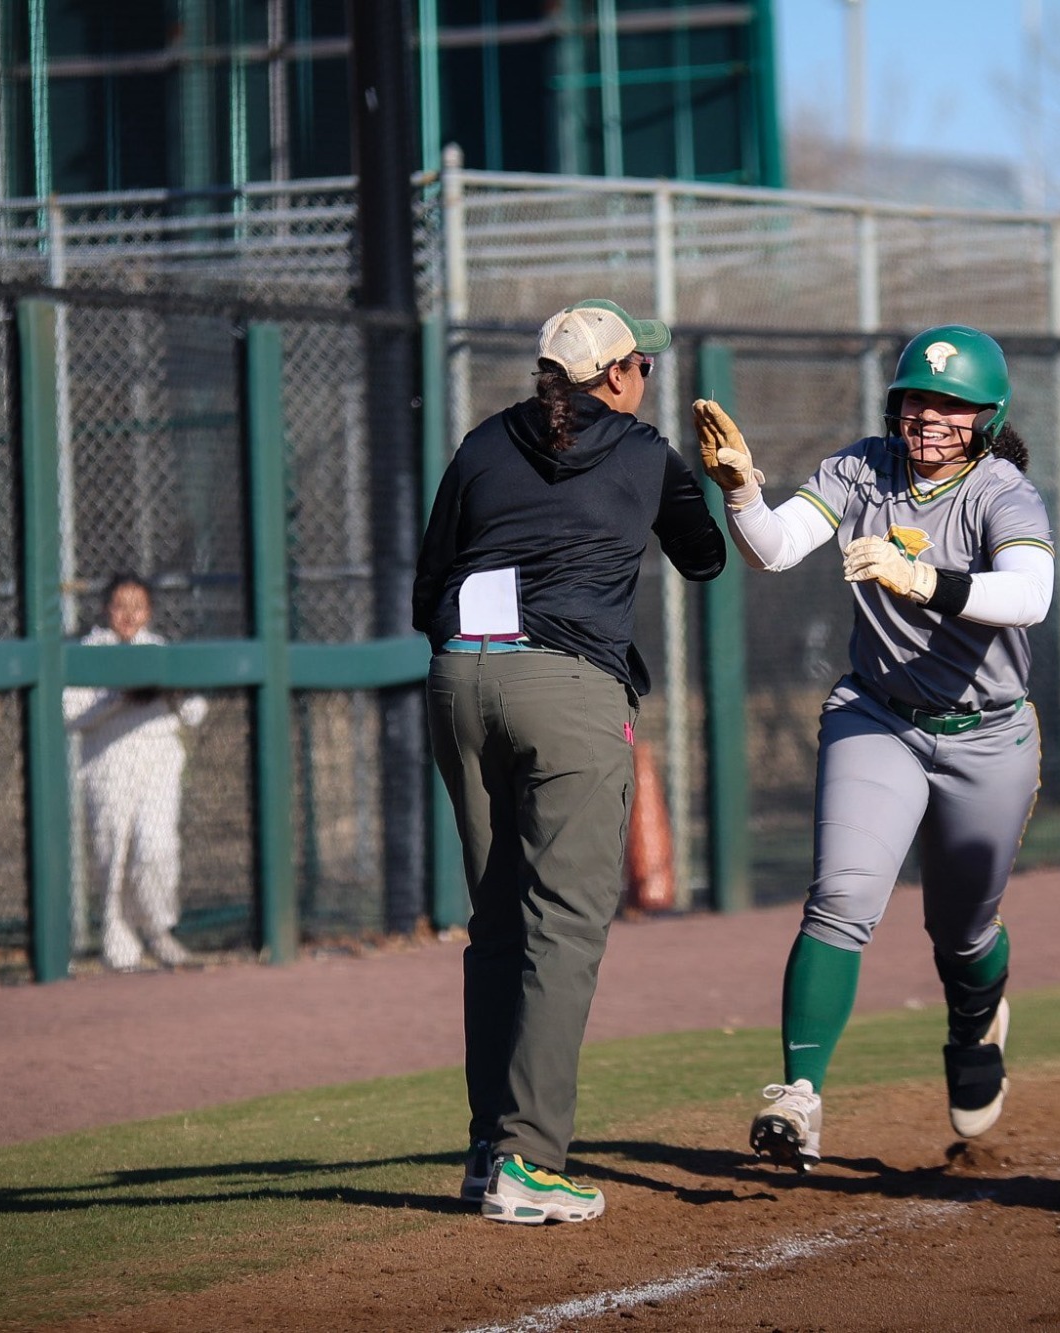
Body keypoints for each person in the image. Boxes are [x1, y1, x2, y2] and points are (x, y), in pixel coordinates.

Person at [692, 325, 1054, 1172]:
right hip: (879, 716)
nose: (931, 418)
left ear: (988, 417)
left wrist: (923, 579)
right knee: (842, 897)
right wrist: (742, 492)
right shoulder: (863, 467)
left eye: (953, 406)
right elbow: (777, 548)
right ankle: (799, 1094)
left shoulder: (1002, 491)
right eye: (918, 400)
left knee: (962, 929)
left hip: (988, 733)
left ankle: (976, 1020)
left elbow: (1030, 594)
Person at [415, 297, 726, 1223]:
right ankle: (528, 1158)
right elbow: (705, 558)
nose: (648, 379)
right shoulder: (644, 451)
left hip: (461, 675)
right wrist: (727, 481)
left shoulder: (483, 441)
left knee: (499, 923)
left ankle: (489, 1151)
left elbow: (428, 586)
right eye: (642, 366)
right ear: (617, 376)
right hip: (569, 688)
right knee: (561, 927)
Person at [64, 575, 209, 972]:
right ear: (105, 609)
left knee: (155, 846)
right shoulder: (89, 652)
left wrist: (171, 690)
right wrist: (117, 697)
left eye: (138, 607)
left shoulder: (159, 650)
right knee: (112, 854)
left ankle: (158, 931)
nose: (128, 615)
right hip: (107, 762)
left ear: (149, 612)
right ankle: (120, 946)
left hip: (158, 759)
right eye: (120, 606)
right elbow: (69, 714)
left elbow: (195, 712)